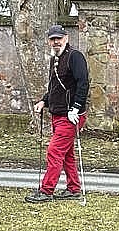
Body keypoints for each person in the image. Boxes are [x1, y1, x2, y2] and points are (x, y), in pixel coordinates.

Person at [27, 24, 90, 202]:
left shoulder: (75, 56)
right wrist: (44, 101)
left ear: (66, 38)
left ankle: (46, 190)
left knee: (54, 152)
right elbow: (55, 87)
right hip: (58, 114)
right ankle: (73, 188)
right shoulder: (55, 58)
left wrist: (76, 107)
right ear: (49, 41)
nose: (56, 42)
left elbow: (83, 83)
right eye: (53, 39)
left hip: (70, 116)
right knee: (67, 154)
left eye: (59, 38)